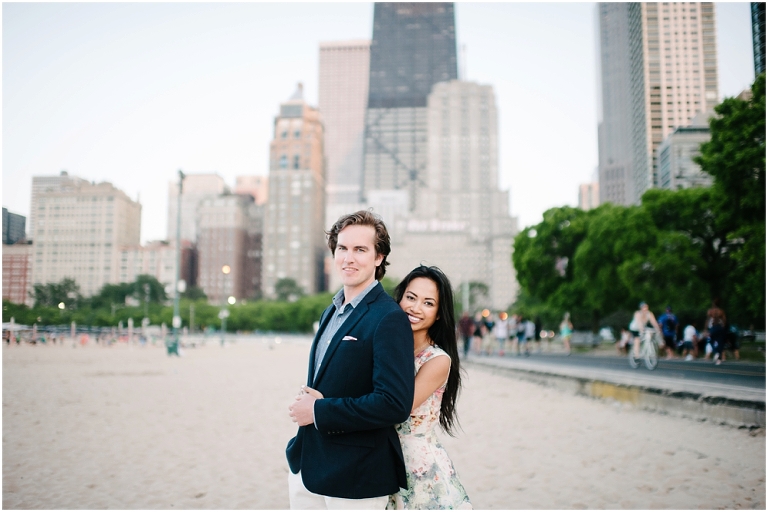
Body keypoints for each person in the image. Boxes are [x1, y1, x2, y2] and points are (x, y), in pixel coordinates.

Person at [286, 210, 414, 509]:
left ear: (379, 257)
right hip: (308, 464)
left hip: (355, 475)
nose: (349, 258)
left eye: (360, 249)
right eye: (342, 248)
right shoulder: (330, 310)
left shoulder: (389, 318)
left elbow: (393, 404)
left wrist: (319, 410)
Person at [389, 265, 472, 509]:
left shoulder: (437, 360)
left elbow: (398, 407)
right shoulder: (389, 348)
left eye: (428, 303)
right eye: (411, 298)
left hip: (418, 470)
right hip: (382, 460)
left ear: (438, 313)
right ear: (400, 298)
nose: (415, 308)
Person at [706, 300, 727, 365]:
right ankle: (719, 357)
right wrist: (723, 327)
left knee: (710, 340)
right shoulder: (721, 311)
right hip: (720, 328)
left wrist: (706, 329)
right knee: (720, 342)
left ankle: (716, 352)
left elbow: (707, 320)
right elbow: (724, 320)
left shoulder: (710, 311)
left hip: (713, 327)